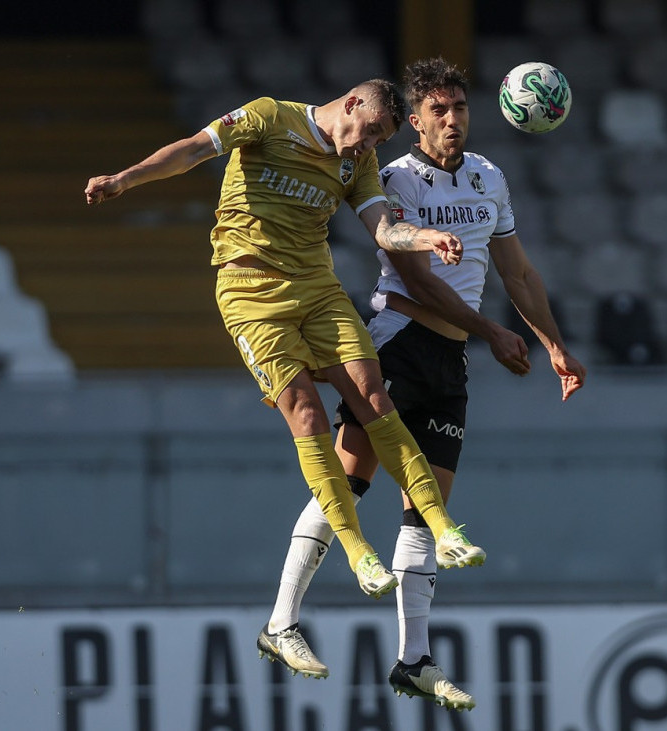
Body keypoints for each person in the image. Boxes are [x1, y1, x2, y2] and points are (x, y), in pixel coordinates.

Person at [257, 58, 586, 711]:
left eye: (460, 108)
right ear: (414, 121)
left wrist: (554, 344)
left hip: (450, 358)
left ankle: (414, 659)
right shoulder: (394, 178)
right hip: (398, 342)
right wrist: (491, 331)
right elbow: (415, 277)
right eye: (439, 110)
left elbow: (518, 274)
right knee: (348, 480)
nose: (452, 119)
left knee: (425, 508)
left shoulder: (490, 177)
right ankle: (281, 619)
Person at [84, 79, 486, 601]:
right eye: (368, 132)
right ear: (351, 103)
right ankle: (358, 552)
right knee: (307, 413)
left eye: (379, 141)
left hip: (317, 288)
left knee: (373, 397)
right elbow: (192, 151)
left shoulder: (359, 163)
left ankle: (443, 527)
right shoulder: (270, 118)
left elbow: (384, 229)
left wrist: (426, 237)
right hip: (250, 291)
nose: (368, 146)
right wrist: (125, 178)